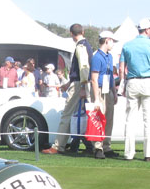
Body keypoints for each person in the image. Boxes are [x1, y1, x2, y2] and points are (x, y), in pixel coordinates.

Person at [43, 23, 93, 154]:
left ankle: (58, 146)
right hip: (81, 82)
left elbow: (83, 68)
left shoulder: (81, 46)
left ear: (71, 34)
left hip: (79, 84)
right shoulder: (86, 45)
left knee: (67, 115)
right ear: (83, 31)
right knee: (89, 115)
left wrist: (82, 86)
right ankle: (92, 145)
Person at [119, 18, 150, 161]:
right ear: (147, 30)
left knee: (130, 119)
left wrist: (123, 84)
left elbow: (121, 69)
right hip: (148, 81)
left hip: (132, 81)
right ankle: (148, 153)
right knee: (148, 120)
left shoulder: (127, 45)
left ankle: (128, 153)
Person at [90, 31, 118, 160]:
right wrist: (96, 98)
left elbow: (111, 76)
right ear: (107, 40)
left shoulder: (109, 57)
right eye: (112, 41)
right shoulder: (96, 57)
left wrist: (114, 92)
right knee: (98, 118)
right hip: (99, 89)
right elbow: (94, 79)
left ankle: (106, 146)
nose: (113, 44)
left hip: (108, 90)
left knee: (109, 119)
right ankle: (98, 147)